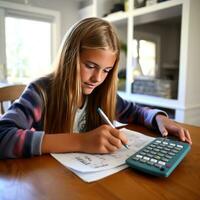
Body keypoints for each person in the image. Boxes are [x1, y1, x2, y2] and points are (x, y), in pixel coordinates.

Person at [0, 17, 192, 159]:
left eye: (106, 70)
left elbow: (135, 112)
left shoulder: (100, 92)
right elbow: (3, 136)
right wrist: (82, 141)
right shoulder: (40, 92)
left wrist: (158, 118)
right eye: (90, 66)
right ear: (69, 57)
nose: (97, 78)